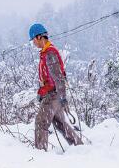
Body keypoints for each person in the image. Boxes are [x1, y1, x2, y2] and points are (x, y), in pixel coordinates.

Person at [29, 23, 83, 151]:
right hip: (53, 95)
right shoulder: (46, 52)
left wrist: (63, 97)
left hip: (53, 95)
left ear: (39, 37)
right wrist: (41, 93)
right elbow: (48, 77)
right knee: (60, 124)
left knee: (40, 122)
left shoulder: (49, 53)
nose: (33, 43)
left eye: (33, 40)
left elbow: (58, 77)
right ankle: (79, 147)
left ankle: (40, 153)